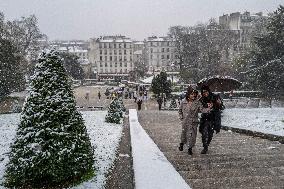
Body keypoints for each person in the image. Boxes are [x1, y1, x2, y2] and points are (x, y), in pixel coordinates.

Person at [178, 87, 212, 155]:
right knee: (184, 134)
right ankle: (181, 144)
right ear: (188, 94)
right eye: (192, 94)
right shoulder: (183, 102)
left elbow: (202, 110)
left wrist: (208, 109)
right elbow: (180, 111)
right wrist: (182, 118)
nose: (193, 95)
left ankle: (190, 149)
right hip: (185, 122)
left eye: (194, 94)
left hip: (194, 122)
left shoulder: (197, 102)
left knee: (192, 136)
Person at [199, 85, 223, 154]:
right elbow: (200, 107)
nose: (204, 93)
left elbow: (221, 107)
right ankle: (205, 147)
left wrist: (219, 103)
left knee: (210, 134)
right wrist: (206, 107)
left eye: (206, 91)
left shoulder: (215, 96)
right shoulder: (202, 99)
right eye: (203, 92)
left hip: (213, 118)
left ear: (208, 91)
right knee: (204, 132)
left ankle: (207, 144)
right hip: (205, 118)